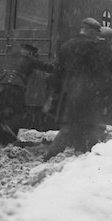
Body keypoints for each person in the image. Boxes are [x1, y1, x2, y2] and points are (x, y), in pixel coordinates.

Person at [43, 17, 107, 160]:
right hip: (86, 94)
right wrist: (111, 86)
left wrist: (57, 91)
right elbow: (100, 71)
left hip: (69, 93)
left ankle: (81, 154)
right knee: (84, 126)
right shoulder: (91, 47)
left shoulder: (66, 45)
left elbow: (58, 71)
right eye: (96, 34)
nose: (97, 37)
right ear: (89, 31)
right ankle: (53, 154)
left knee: (75, 125)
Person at [0, 43, 53, 154]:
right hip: (14, 88)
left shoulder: (9, 56)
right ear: (31, 53)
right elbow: (49, 68)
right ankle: (8, 142)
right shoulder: (29, 59)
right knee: (16, 115)